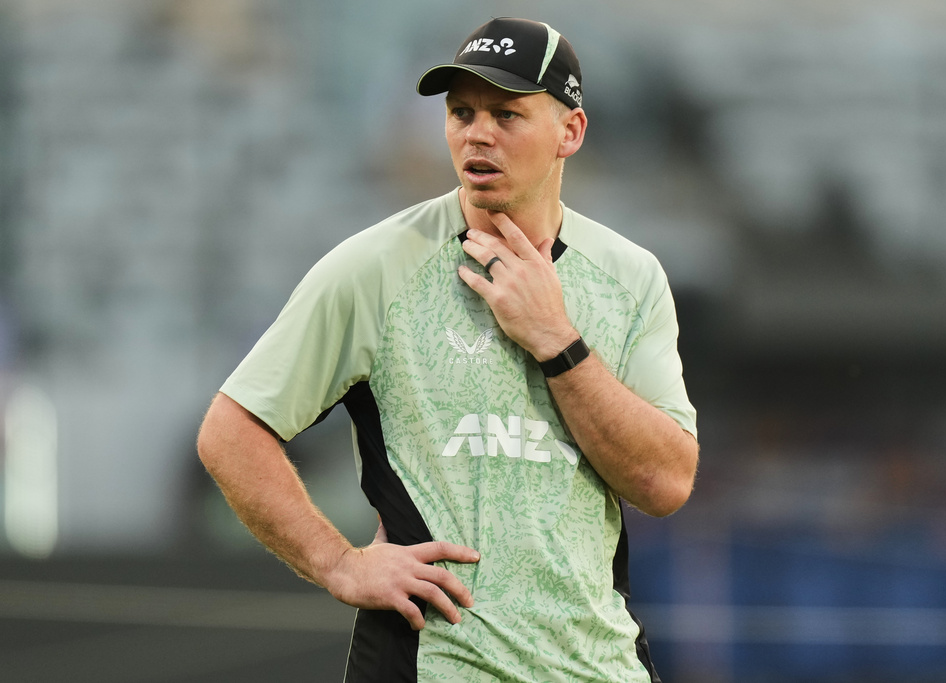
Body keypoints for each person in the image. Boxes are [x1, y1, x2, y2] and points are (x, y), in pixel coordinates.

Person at [196, 17, 699, 683]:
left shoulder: (631, 278)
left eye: (507, 113)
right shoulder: (375, 267)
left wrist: (558, 341)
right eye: (461, 111)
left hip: (597, 667)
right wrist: (340, 561)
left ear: (570, 131)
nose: (476, 132)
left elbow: (664, 483)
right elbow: (229, 432)